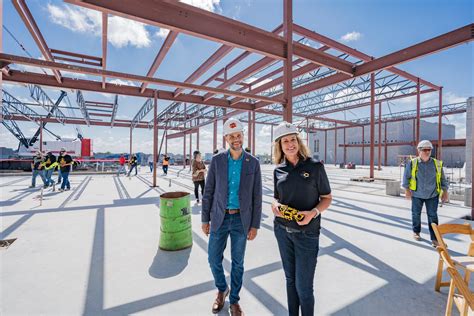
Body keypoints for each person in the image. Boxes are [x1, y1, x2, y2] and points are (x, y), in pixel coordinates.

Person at [202, 118, 262, 316]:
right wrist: (204, 219)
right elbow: (208, 191)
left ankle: (234, 300)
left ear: (243, 135)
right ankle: (222, 288)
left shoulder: (253, 163)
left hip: (241, 221)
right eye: (232, 136)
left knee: (238, 262)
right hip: (219, 217)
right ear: (226, 138)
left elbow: (257, 196)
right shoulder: (218, 160)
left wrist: (255, 224)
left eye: (239, 135)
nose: (236, 139)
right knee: (212, 258)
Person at [271, 122, 332, 316]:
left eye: (293, 140)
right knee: (290, 280)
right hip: (282, 231)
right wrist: (274, 205)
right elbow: (277, 197)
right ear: (279, 146)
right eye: (285, 141)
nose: (290, 144)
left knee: (303, 287)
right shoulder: (278, 170)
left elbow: (327, 198)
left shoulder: (314, 167)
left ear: (299, 142)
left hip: (307, 234)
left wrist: (313, 213)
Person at [402, 140, 449, 247]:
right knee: (416, 214)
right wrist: (407, 190)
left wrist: (445, 192)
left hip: (432, 195)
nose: (428, 152)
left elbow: (442, 179)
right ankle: (416, 231)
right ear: (419, 150)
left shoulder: (437, 164)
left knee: (432, 216)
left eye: (429, 150)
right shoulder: (412, 163)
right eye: (425, 150)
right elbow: (406, 177)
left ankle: (435, 238)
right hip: (417, 194)